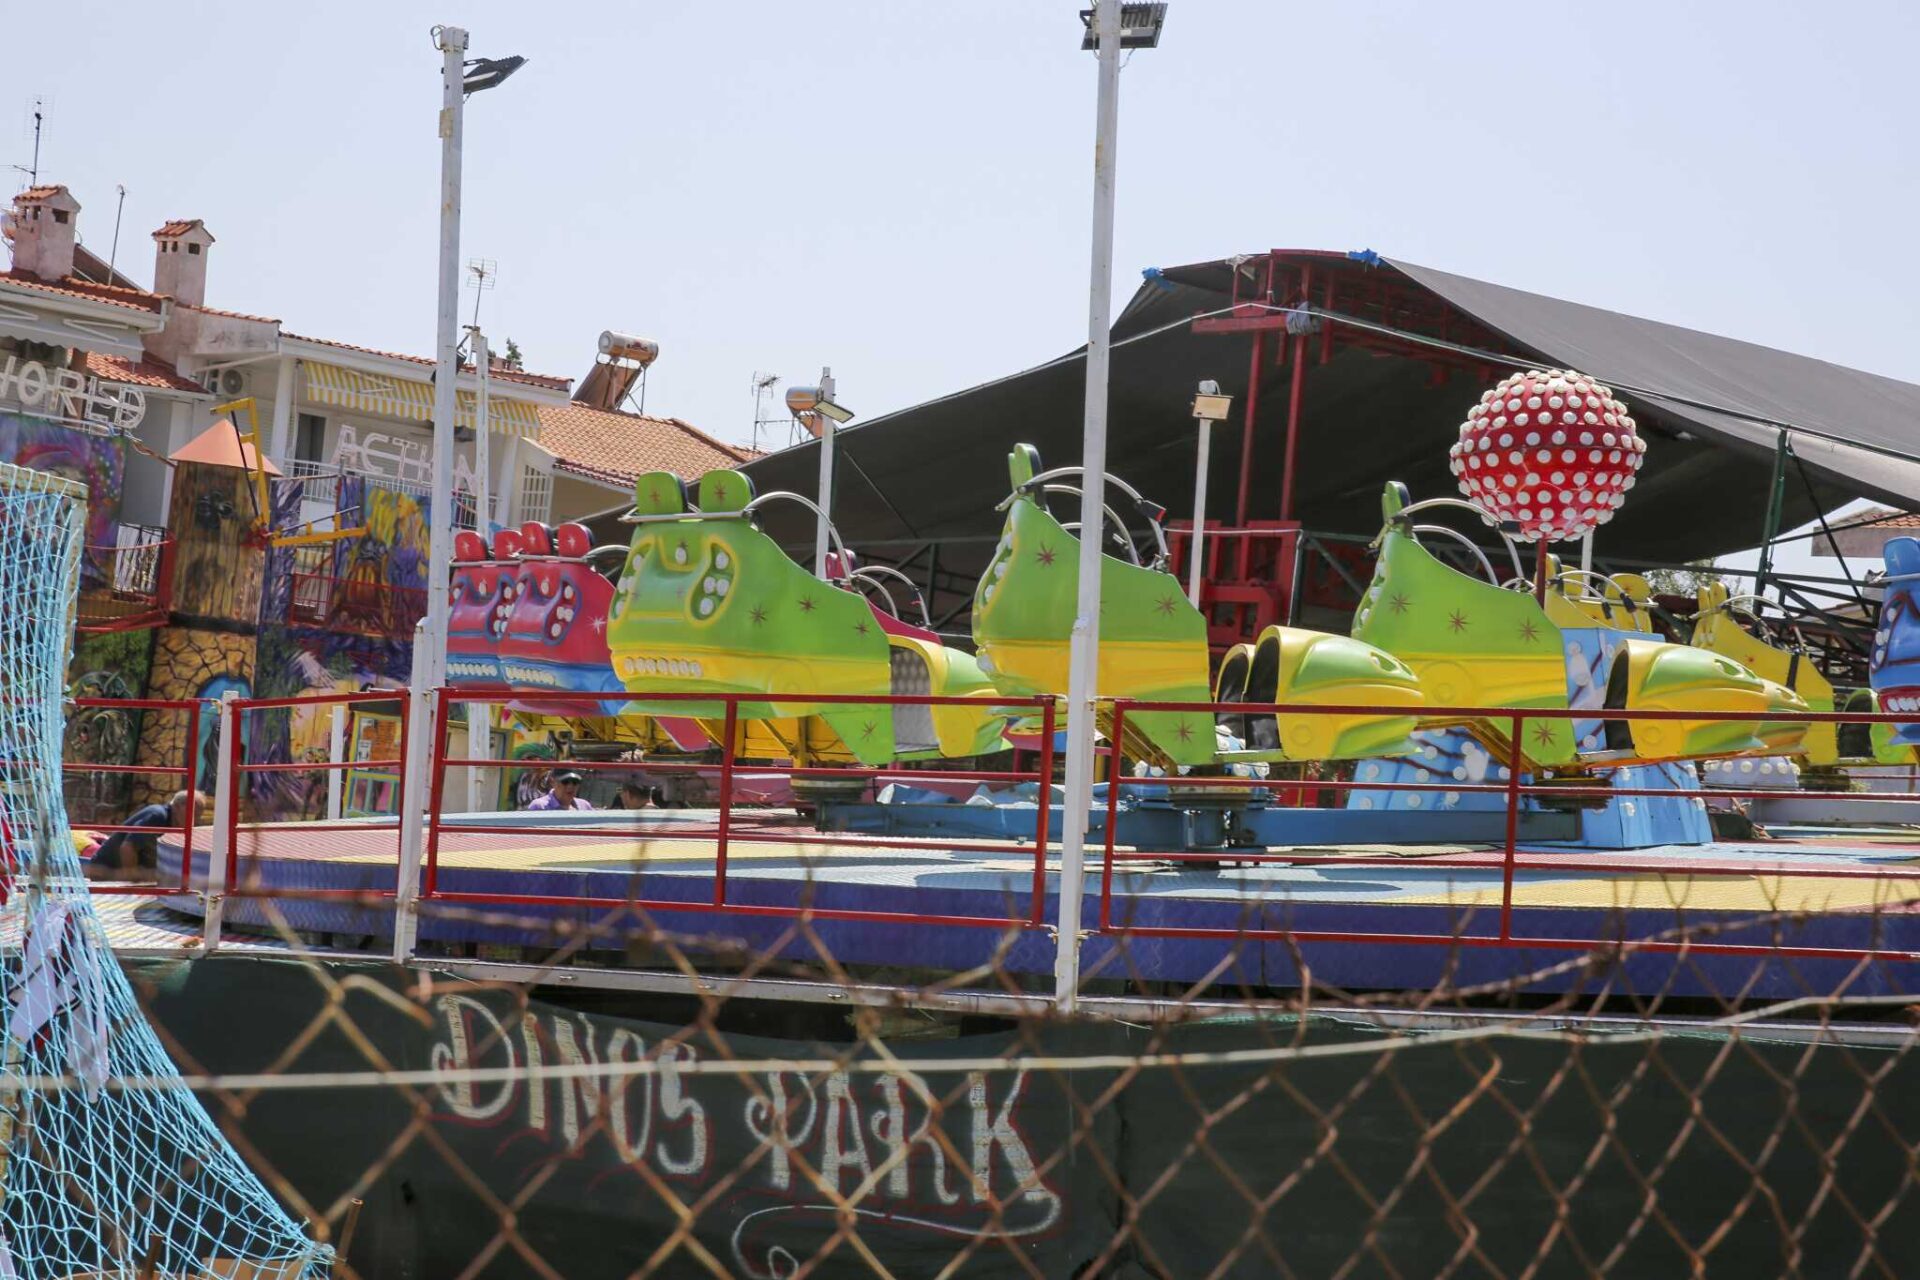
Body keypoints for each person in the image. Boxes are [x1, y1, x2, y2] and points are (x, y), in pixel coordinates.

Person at [87, 790, 202, 880]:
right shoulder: (158, 816)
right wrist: (132, 885)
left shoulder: (171, 821)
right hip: (106, 872)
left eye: (198, 815)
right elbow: (127, 848)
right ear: (177, 807)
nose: (195, 820)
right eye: (194, 813)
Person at [527, 770, 593, 811]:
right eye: (565, 782)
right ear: (553, 782)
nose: (570, 786)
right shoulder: (539, 806)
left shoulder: (585, 806)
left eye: (575, 782)